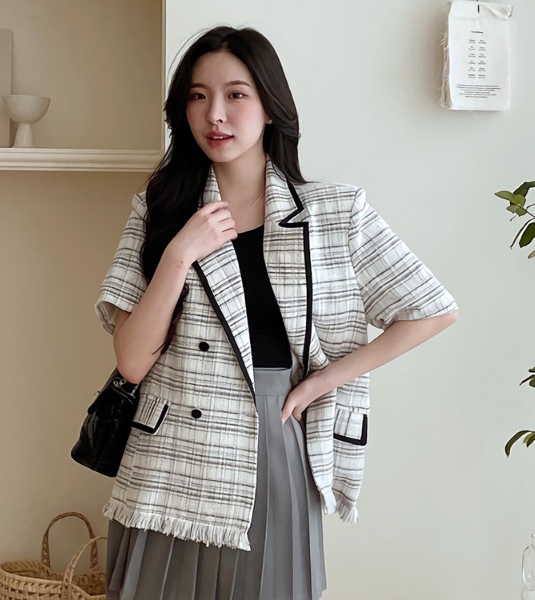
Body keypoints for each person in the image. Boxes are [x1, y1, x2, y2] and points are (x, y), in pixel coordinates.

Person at [94, 25, 458, 600]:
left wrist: (322, 382)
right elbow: (133, 362)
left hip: (275, 435)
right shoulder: (158, 209)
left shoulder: (333, 212)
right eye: (197, 96)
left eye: (235, 94)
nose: (215, 113)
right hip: (169, 456)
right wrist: (181, 253)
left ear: (270, 108)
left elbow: (431, 310)